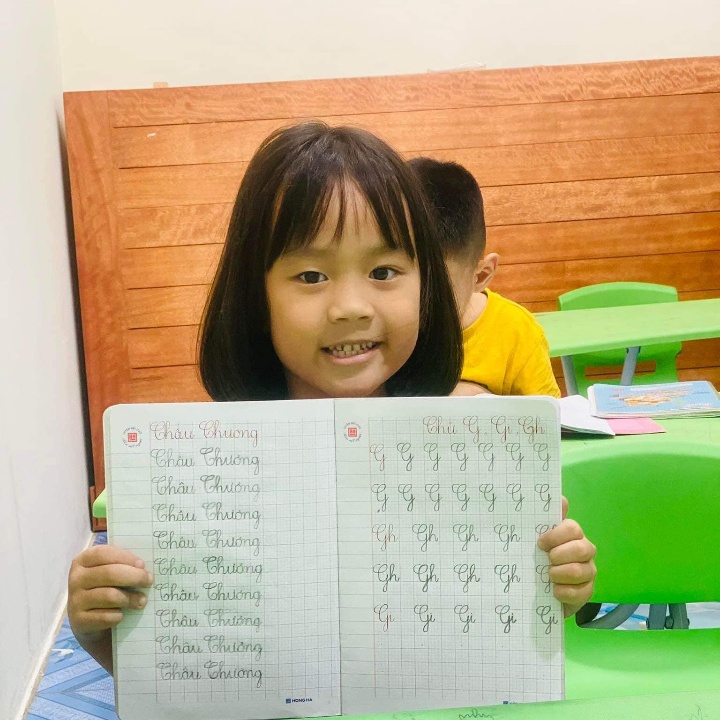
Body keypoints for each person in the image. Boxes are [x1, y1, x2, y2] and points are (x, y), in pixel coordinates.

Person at [68, 122, 596, 675]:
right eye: (311, 275)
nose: (350, 307)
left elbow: (499, 635)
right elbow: (180, 672)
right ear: (255, 297)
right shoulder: (207, 471)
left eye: (384, 271)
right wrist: (99, 629)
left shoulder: (471, 451)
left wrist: (556, 587)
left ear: (428, 290)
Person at [408, 157, 560, 399]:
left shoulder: (516, 333)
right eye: (386, 275)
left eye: (436, 293)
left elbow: (548, 416)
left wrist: (483, 402)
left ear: (481, 275)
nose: (414, 305)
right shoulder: (379, 331)